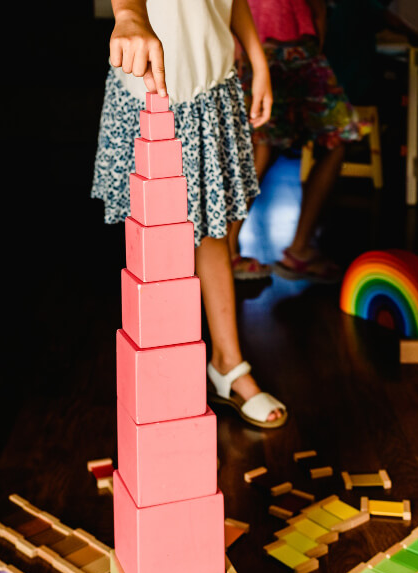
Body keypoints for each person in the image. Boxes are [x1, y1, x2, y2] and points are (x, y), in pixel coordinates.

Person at [92, 0, 288, 429]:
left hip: (213, 87)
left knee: (213, 235)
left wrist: (258, 58)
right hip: (152, 92)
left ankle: (227, 364)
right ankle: (163, 381)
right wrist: (128, 15)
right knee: (156, 251)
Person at [230, 0, 363, 283]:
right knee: (269, 147)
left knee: (263, 148)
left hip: (266, 48)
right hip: (288, 49)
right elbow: (317, 10)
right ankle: (245, 250)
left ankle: (235, 250)